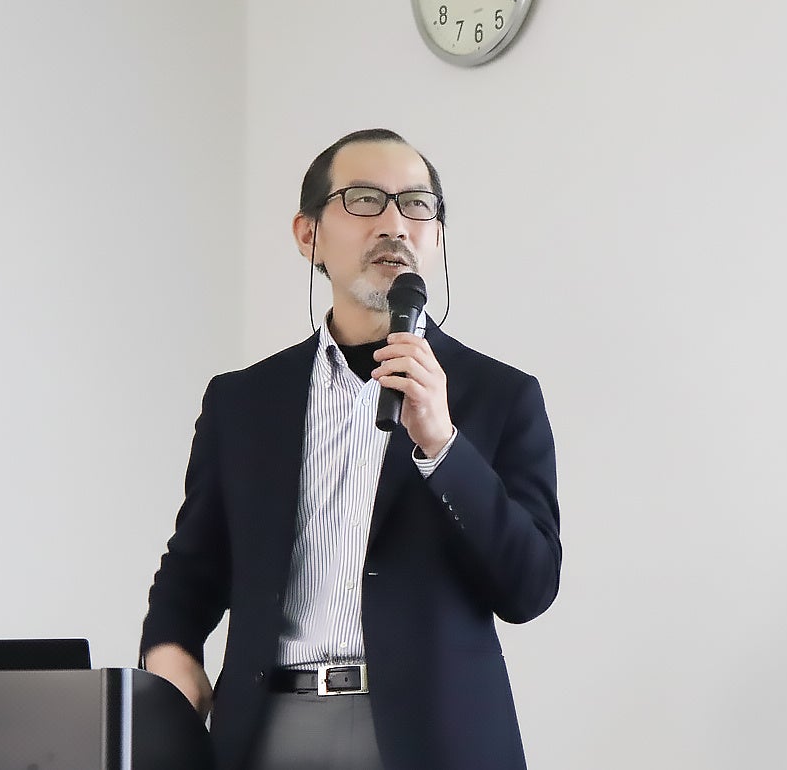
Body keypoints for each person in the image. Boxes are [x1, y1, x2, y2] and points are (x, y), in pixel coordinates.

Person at [140, 128, 561, 770]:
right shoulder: (243, 400)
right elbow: (193, 566)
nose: (395, 223)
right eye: (365, 200)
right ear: (308, 235)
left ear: (436, 237)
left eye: (417, 204)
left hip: (433, 740)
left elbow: (529, 587)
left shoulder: (500, 395)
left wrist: (443, 446)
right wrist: (169, 651)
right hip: (268, 731)